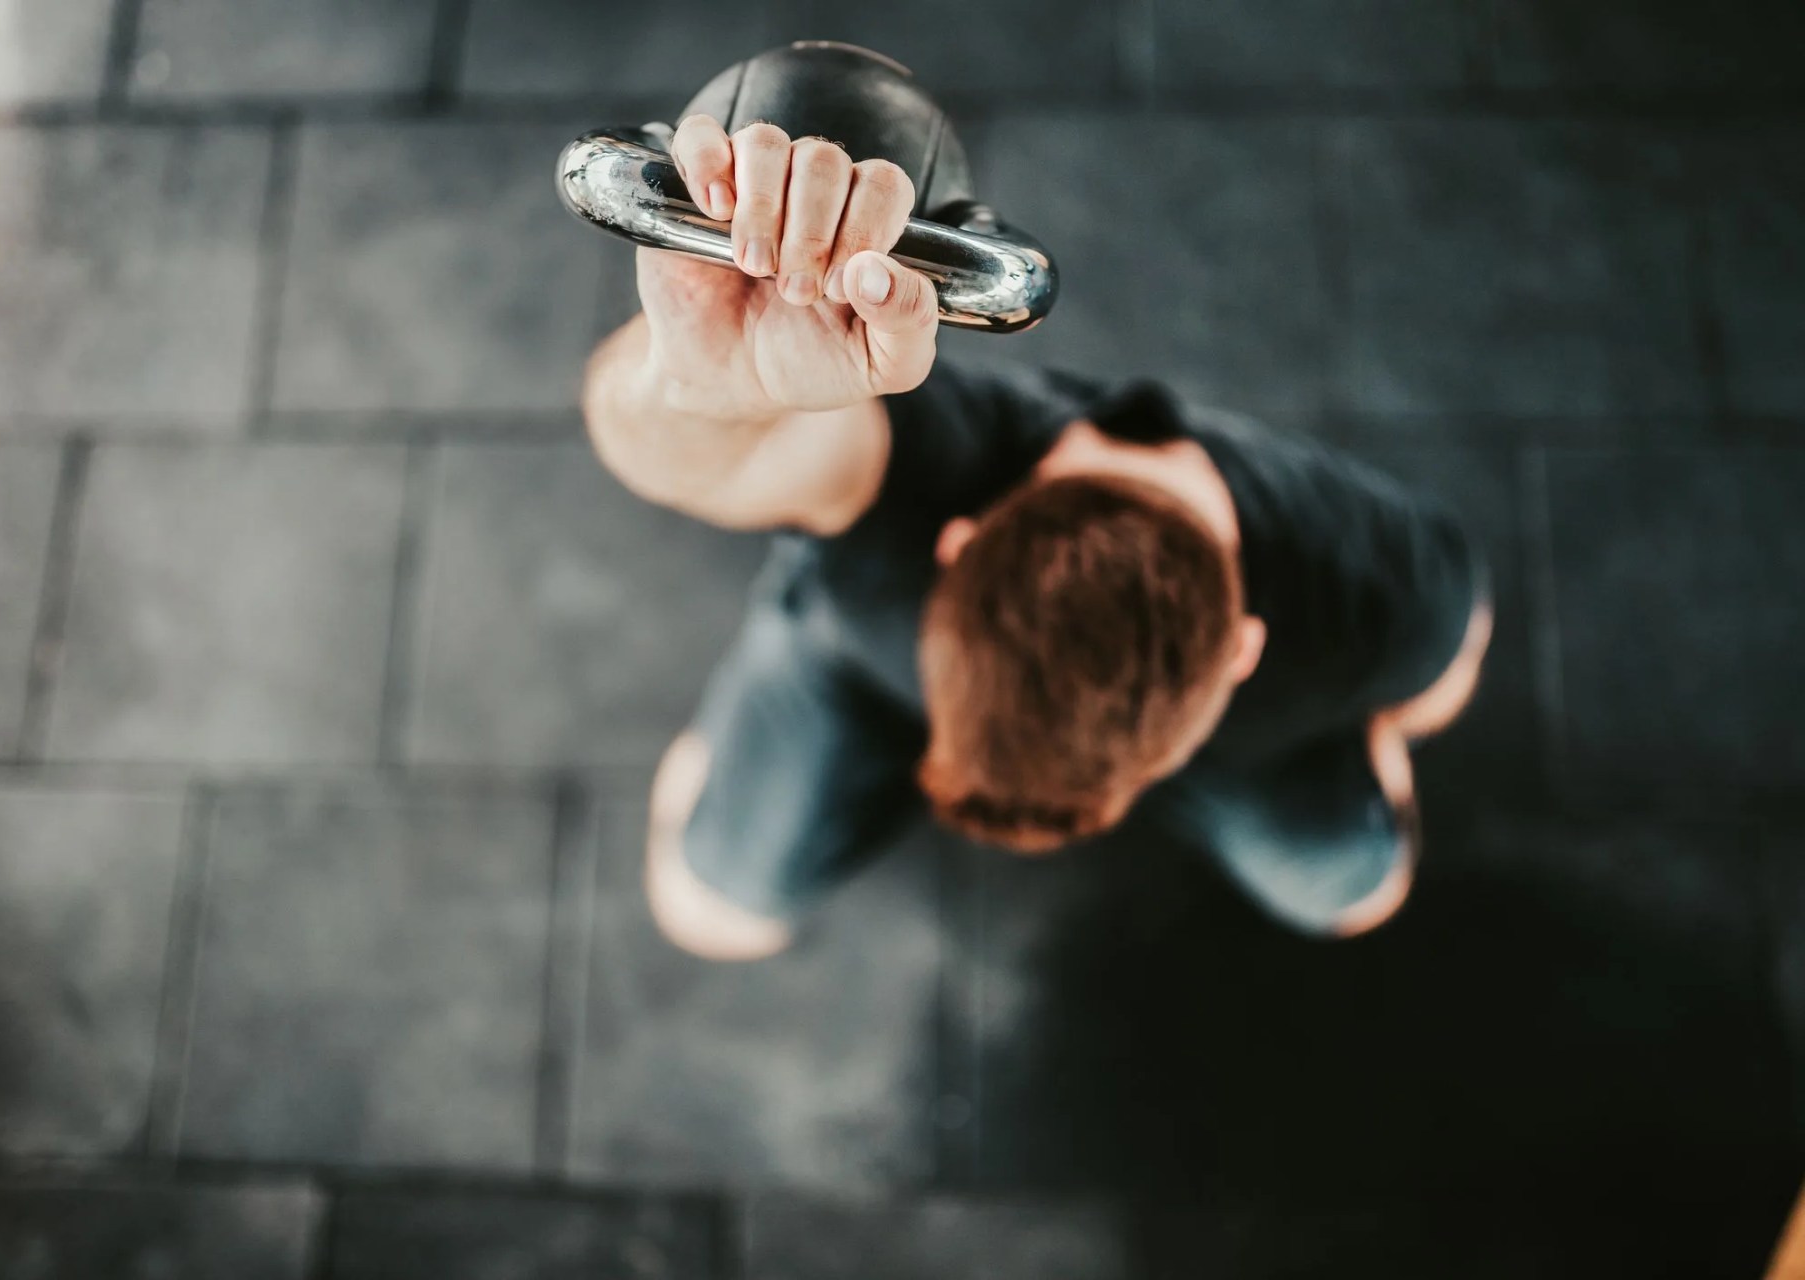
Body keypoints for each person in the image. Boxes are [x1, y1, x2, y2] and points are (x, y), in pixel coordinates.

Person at [580, 115, 1494, 961]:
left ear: (1242, 651)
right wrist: (702, 382)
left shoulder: (1375, 581)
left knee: (1357, 891)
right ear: (957, 545)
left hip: (1227, 737)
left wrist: (1381, 733)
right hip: (864, 662)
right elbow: (699, 461)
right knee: (710, 911)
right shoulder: (913, 475)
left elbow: (1439, 682)